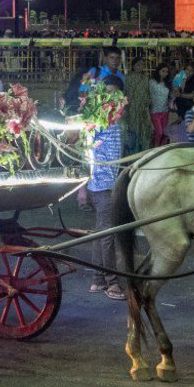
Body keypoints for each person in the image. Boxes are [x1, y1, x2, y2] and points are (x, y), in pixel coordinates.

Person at [87, 74, 127, 299]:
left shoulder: (115, 119)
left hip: (110, 181)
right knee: (108, 233)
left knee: (101, 230)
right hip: (102, 183)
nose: (110, 98)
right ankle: (112, 283)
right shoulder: (98, 119)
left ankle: (97, 280)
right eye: (107, 93)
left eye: (115, 94)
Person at [124, 57, 152, 153]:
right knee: (133, 130)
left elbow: (148, 93)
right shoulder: (127, 77)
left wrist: (147, 104)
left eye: (142, 64)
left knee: (144, 130)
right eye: (138, 64)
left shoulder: (146, 78)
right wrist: (126, 107)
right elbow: (124, 93)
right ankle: (132, 152)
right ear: (133, 65)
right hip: (131, 109)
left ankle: (144, 151)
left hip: (143, 109)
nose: (140, 67)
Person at [149, 62, 171, 146]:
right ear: (158, 71)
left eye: (167, 72)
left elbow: (170, 96)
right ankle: (155, 149)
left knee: (163, 132)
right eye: (163, 71)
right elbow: (148, 95)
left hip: (165, 111)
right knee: (159, 132)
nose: (165, 73)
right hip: (155, 111)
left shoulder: (167, 83)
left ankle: (160, 148)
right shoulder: (152, 82)